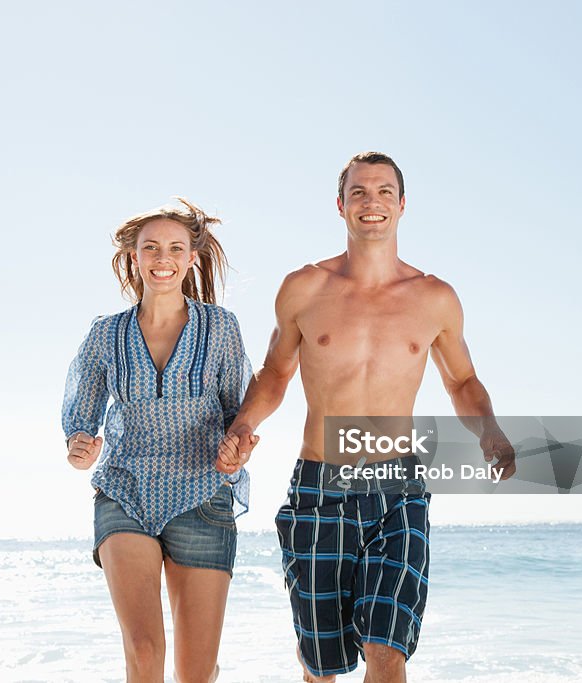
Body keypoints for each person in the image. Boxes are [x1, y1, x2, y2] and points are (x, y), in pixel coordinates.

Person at [217, 152, 516, 682]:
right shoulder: (304, 289)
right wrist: (244, 425)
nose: (371, 202)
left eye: (383, 192)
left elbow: (462, 381)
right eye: (359, 192)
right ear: (340, 205)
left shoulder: (434, 297)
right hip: (319, 484)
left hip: (396, 487)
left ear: (402, 205)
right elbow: (274, 374)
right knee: (321, 661)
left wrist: (489, 431)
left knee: (386, 648)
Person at [63, 197, 251, 683]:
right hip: (125, 492)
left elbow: (240, 414)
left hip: (203, 498)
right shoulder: (106, 334)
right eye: (150, 248)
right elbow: (81, 419)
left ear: (192, 257)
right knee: (145, 651)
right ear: (135, 257)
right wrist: (80, 448)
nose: (162, 258)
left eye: (174, 248)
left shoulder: (221, 328)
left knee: (197, 671)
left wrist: (238, 448)